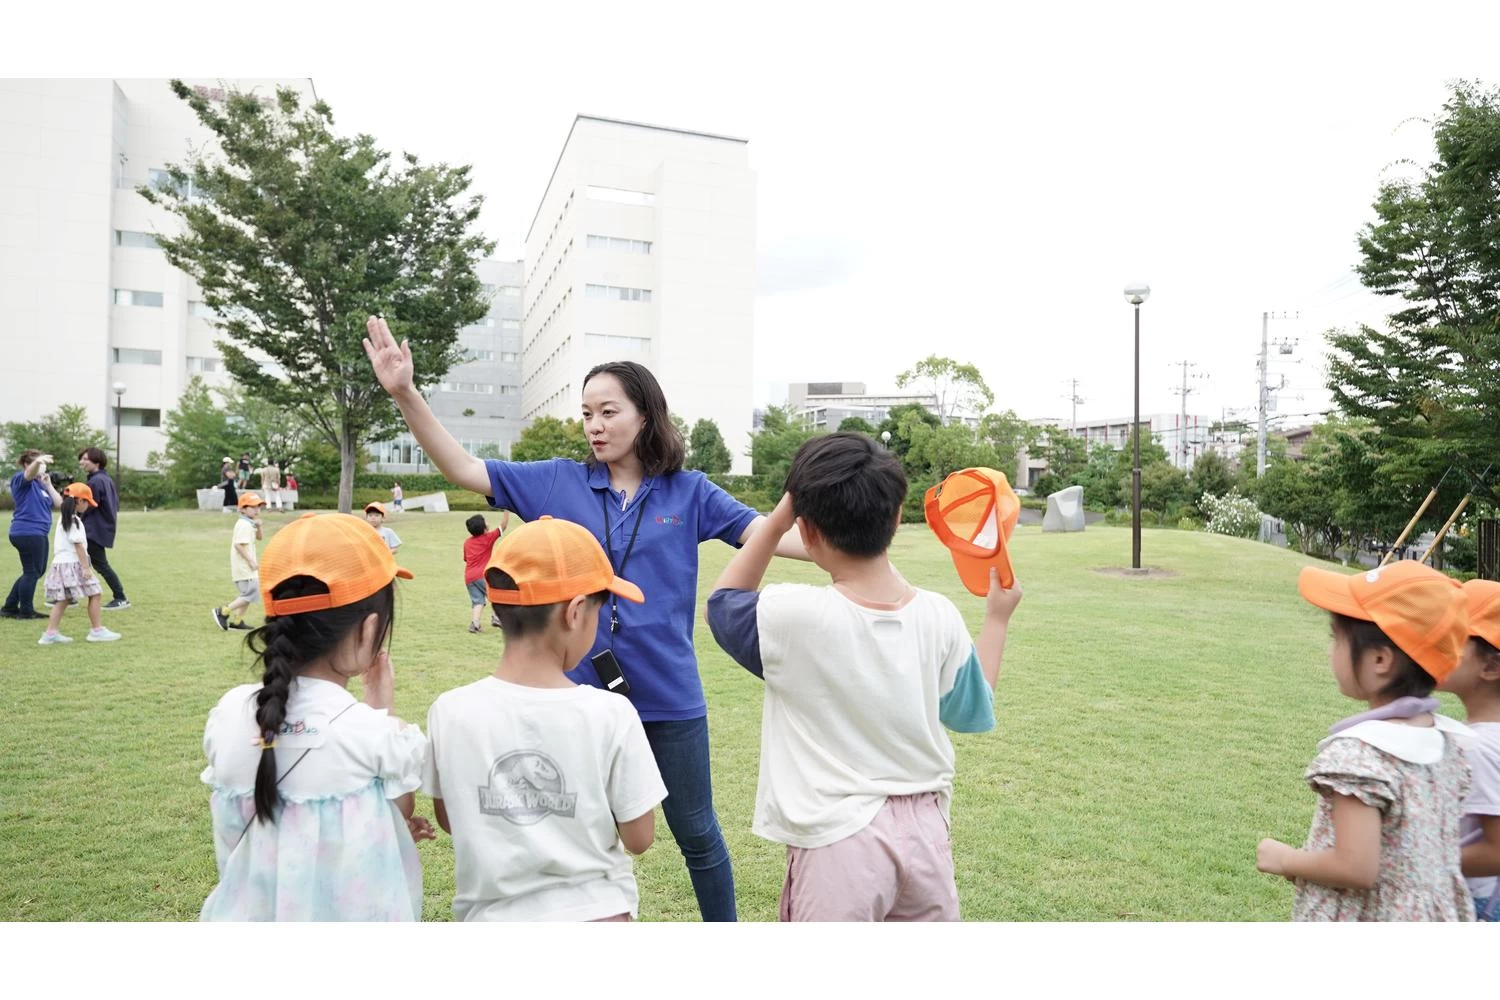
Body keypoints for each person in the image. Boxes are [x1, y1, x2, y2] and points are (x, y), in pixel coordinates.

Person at [365, 315, 807, 921]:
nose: (595, 427)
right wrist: (405, 394)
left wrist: (856, 545)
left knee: (698, 835)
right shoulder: (555, 482)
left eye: (609, 412)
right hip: (574, 697)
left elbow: (767, 534)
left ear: (646, 415)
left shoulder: (690, 491)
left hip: (669, 692)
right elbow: (465, 470)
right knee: (570, 827)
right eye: (587, 414)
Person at [705, 434, 1020, 920]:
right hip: (926, 835)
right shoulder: (939, 615)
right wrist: (996, 620)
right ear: (896, 517)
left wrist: (781, 515)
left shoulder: (792, 615)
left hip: (837, 843)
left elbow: (723, 602)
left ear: (804, 531)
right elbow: (971, 711)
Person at [423, 516, 666, 921]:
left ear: (497, 603)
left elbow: (451, 819)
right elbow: (639, 838)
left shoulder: (449, 711)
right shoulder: (610, 713)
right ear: (575, 613)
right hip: (598, 915)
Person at [199, 511, 432, 920]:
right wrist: (380, 706)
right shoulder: (376, 734)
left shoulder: (228, 715)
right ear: (369, 629)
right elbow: (399, 808)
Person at [1256, 560, 1476, 920]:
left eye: (1336, 639)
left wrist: (1284, 859)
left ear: (1379, 659)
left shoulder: (1360, 757)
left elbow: (1355, 867)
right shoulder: (1446, 743)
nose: (1330, 651)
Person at [1440, 580, 1500, 921]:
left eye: (1451, 637)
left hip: (1479, 907)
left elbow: (1497, 852)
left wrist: (1425, 856)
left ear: (1490, 667)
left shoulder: (1477, 747)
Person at [37, 483, 122, 645]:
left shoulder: (64, 517)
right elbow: (78, 546)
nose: (89, 505)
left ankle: (50, 633)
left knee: (63, 599)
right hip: (73, 564)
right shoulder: (74, 520)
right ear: (79, 501)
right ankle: (96, 631)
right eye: (87, 501)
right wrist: (85, 568)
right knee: (95, 593)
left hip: (61, 564)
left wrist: (48, 484)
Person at [3, 449, 62, 621]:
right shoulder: (20, 480)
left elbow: (59, 504)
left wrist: (49, 485)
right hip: (27, 532)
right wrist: (37, 462)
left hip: (37, 533)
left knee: (34, 571)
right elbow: (28, 474)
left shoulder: (39, 484)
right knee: (32, 571)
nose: (41, 466)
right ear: (26, 464)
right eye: (38, 463)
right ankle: (26, 611)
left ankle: (9, 607)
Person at [77, 447, 128, 610]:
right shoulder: (105, 479)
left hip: (93, 530)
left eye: (86, 459)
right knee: (78, 562)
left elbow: (87, 506)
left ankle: (120, 597)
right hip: (100, 528)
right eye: (81, 459)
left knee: (100, 564)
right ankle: (68, 597)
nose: (82, 462)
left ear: (97, 462)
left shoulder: (95, 481)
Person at [212, 493, 265, 631]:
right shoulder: (243, 524)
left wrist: (259, 526)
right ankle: (223, 612)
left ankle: (237, 621)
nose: (256, 510)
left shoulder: (250, 523)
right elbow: (238, 545)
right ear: (242, 509)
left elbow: (259, 538)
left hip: (248, 565)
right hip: (244, 566)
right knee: (250, 594)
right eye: (252, 507)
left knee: (249, 594)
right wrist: (251, 562)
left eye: (258, 506)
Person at [463, 512, 509, 633]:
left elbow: (466, 559)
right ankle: (496, 618)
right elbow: (503, 526)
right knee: (497, 595)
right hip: (482, 575)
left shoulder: (467, 542)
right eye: (486, 521)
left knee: (478, 601)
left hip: (469, 577)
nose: (488, 522)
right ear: (484, 529)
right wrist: (507, 510)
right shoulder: (488, 538)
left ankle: (475, 624)